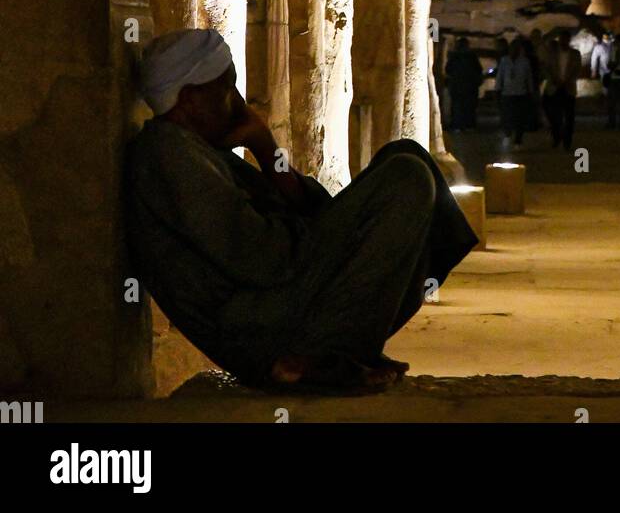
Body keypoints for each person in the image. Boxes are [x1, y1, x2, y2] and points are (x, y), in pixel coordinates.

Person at [125, 29, 477, 393]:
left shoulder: (196, 149)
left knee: (405, 154)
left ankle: (332, 352)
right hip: (257, 323)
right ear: (190, 100)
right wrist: (326, 237)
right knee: (407, 175)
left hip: (274, 296)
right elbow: (263, 259)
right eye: (227, 89)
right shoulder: (169, 154)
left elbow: (314, 209)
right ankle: (311, 357)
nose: (238, 102)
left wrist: (264, 146)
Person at [540, 28, 581, 149]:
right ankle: (557, 136)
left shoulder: (575, 54)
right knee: (553, 114)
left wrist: (568, 81)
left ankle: (567, 141)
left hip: (568, 88)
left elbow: (577, 69)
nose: (563, 41)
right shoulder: (552, 54)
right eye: (561, 39)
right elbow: (546, 68)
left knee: (569, 116)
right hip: (554, 87)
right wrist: (553, 80)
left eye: (565, 39)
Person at [495, 37, 535, 149]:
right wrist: (497, 88)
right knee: (507, 116)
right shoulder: (504, 60)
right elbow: (500, 76)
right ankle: (507, 135)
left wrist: (530, 91)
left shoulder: (524, 61)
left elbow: (528, 78)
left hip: (520, 93)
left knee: (519, 118)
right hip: (507, 93)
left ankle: (518, 139)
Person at [445, 36, 484, 130]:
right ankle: (468, 125)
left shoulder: (455, 56)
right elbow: (479, 70)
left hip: (458, 86)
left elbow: (448, 69)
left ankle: (457, 124)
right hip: (469, 87)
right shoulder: (471, 56)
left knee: (458, 106)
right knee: (468, 107)